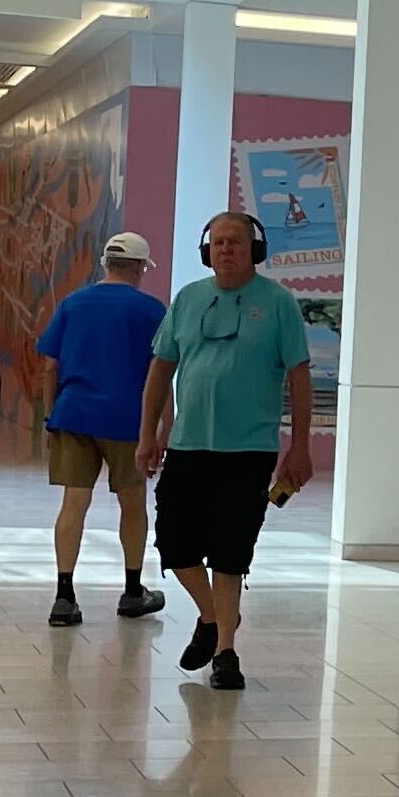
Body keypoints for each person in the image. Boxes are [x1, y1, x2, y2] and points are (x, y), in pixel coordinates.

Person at [140, 212, 312, 693]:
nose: (226, 250)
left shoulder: (277, 303)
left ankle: (226, 654)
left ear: (254, 249)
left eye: (235, 242)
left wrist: (300, 446)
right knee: (174, 545)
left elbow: (299, 375)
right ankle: (213, 617)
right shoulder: (189, 298)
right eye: (217, 243)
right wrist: (147, 434)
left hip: (249, 450)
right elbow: (160, 369)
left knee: (231, 553)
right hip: (188, 446)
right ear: (205, 250)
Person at [31, 230, 168, 628]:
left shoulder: (73, 303)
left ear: (106, 263)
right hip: (129, 419)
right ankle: (131, 590)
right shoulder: (151, 310)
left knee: (74, 502)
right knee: (132, 504)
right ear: (141, 268)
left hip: (74, 415)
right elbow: (162, 373)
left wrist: (51, 416)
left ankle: (64, 596)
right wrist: (163, 431)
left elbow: (50, 367)